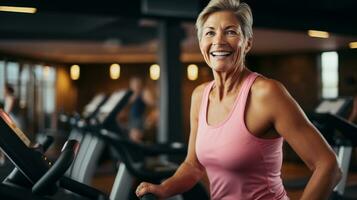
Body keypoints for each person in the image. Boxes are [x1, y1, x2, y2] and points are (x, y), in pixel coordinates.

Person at [135, 0, 342, 199]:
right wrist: (163, 189)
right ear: (201, 43)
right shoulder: (200, 96)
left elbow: (328, 165)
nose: (218, 41)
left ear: (248, 42)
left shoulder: (266, 93)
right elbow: (193, 165)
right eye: (210, 33)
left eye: (230, 31)